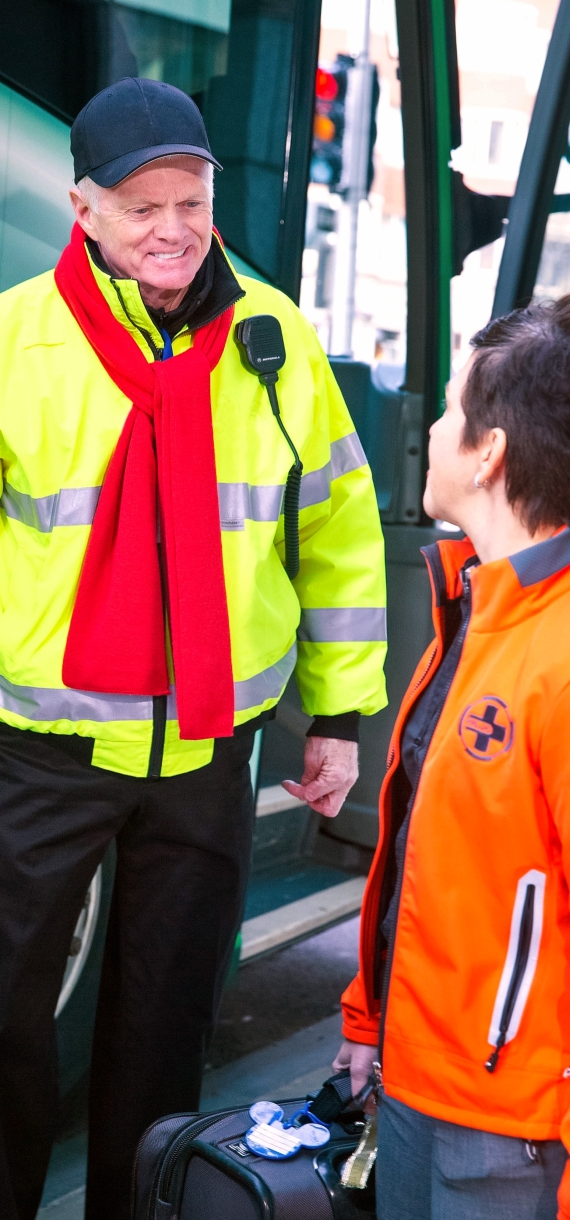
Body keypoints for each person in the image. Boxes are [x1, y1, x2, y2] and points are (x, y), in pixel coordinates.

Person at [0, 77, 387, 1219]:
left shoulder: (272, 337)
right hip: (36, 748)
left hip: (209, 747)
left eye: (192, 200)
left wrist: (339, 713)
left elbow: (338, 533)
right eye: (139, 206)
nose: (171, 228)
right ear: (83, 210)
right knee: (0, 1023)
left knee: (168, 1032)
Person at [334, 295, 570, 1220]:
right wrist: (369, 1018)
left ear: (489, 453)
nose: (427, 428)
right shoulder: (476, 609)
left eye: (447, 411)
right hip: (416, 1079)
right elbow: (429, 864)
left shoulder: (553, 651)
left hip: (507, 1133)